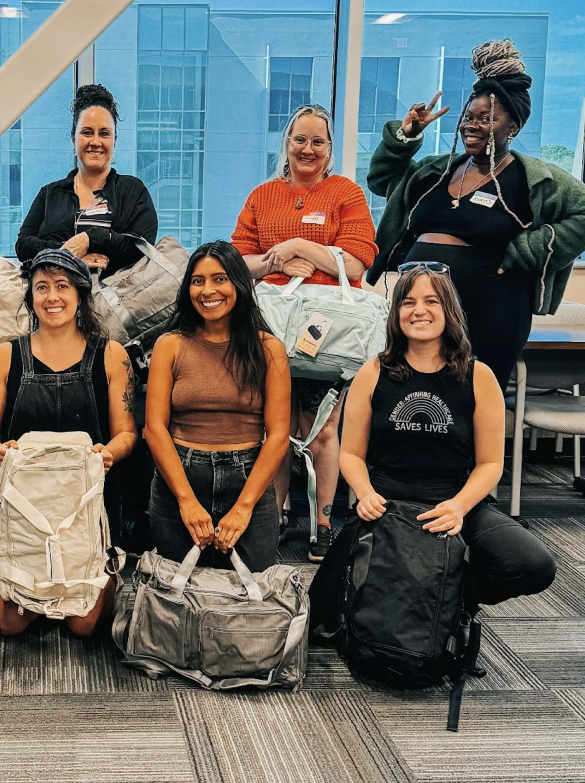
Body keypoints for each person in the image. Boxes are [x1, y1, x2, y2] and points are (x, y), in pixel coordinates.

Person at [309, 263, 556, 630]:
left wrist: (458, 507)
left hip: (455, 502)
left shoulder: (479, 376)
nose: (419, 311)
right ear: (396, 314)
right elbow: (351, 454)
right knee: (318, 618)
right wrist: (364, 494)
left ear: (449, 311)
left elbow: (490, 464)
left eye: (431, 301)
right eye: (408, 302)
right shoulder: (372, 372)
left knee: (534, 566)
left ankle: (451, 598)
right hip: (386, 503)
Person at [366, 39, 585, 389]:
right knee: (411, 399)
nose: (472, 125)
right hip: (419, 309)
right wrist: (406, 137)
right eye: (468, 117)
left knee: (473, 404)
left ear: (512, 127)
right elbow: (381, 181)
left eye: (487, 119)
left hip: (491, 310)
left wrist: (529, 248)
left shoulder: (532, 178)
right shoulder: (434, 171)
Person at [231, 104, 378, 561]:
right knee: (274, 427)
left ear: (330, 150)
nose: (307, 149)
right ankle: (271, 519)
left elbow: (355, 263)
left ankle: (322, 524)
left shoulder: (346, 193)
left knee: (322, 431)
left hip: (327, 332)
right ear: (287, 144)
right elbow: (237, 263)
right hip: (272, 328)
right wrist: (276, 261)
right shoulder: (262, 195)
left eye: (318, 141)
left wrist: (300, 248)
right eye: (300, 140)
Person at [0, 249, 138, 637]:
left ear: (80, 294)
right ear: (30, 297)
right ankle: (2, 562)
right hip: (25, 507)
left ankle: (90, 571)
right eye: (41, 287)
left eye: (62, 286)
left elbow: (128, 433)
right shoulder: (5, 356)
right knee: (10, 623)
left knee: (84, 625)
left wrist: (109, 452)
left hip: (86, 507)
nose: (52, 297)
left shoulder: (112, 355)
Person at [144, 241, 291, 572]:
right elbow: (154, 428)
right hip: (180, 475)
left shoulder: (268, 349)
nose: (207, 290)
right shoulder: (170, 345)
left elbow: (279, 434)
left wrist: (244, 507)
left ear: (238, 283)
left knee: (250, 598)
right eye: (198, 281)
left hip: (248, 477)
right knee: (177, 596)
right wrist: (185, 501)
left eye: (219, 279)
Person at [16, 84, 158, 277]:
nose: (96, 142)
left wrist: (90, 238)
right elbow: (24, 245)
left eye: (104, 133)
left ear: (114, 141)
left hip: (115, 302)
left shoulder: (133, 190)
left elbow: (142, 247)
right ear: (73, 139)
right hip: (56, 300)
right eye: (87, 132)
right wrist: (72, 257)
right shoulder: (50, 193)